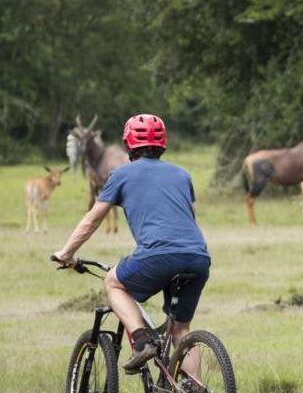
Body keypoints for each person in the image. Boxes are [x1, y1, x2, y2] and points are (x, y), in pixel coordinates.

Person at [53, 114, 210, 373]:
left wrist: (66, 253)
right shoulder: (182, 175)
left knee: (113, 282)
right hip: (198, 257)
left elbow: (92, 220)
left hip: (157, 256)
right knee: (181, 330)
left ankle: (140, 341)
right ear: (163, 145)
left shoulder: (121, 174)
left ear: (128, 144)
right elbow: (190, 217)